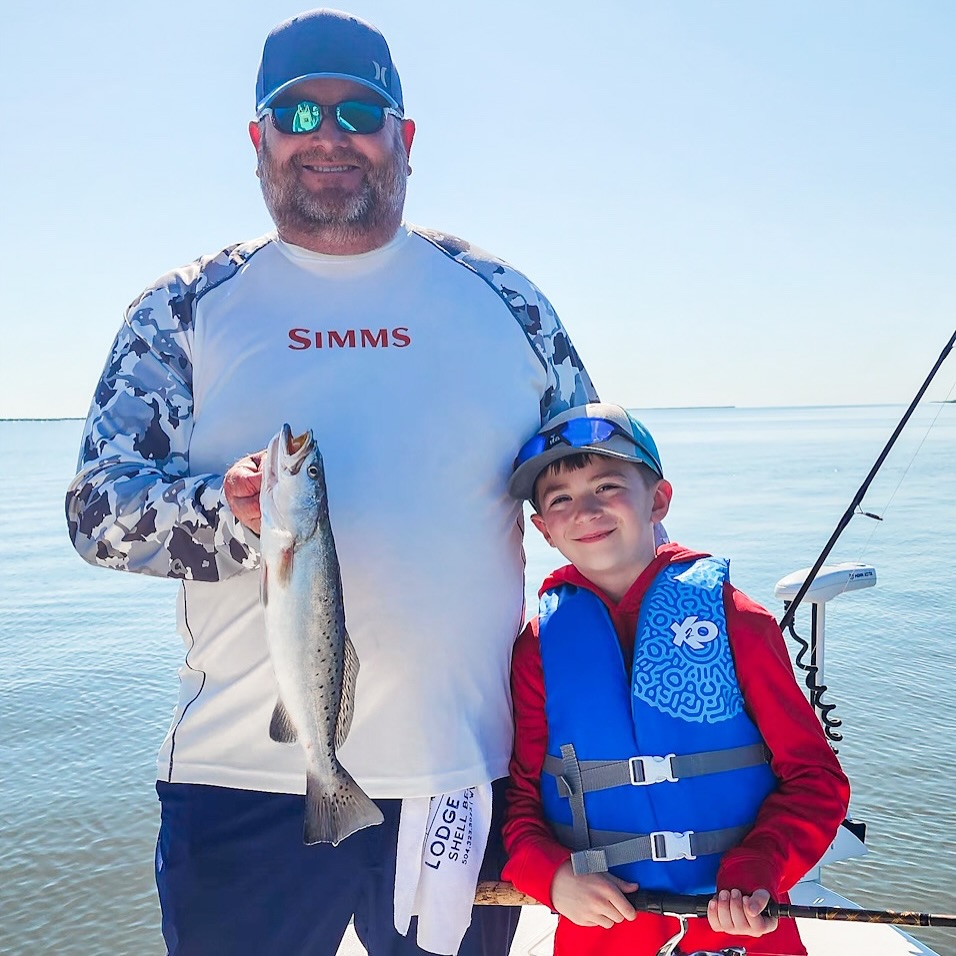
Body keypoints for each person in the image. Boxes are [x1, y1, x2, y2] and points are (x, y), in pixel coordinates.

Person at [65, 9, 596, 955]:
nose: (328, 136)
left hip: (460, 778)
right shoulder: (183, 308)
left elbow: (589, 490)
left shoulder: (505, 299)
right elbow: (96, 512)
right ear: (257, 138)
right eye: (296, 114)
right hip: (243, 779)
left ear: (405, 135)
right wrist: (221, 513)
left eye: (358, 110)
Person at [501, 403, 851, 956]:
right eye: (560, 499)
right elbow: (519, 801)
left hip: (742, 928)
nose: (585, 510)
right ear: (543, 528)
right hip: (601, 935)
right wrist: (553, 878)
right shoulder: (537, 647)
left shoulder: (740, 621)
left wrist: (761, 864)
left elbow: (817, 781)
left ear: (658, 499)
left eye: (607, 486)